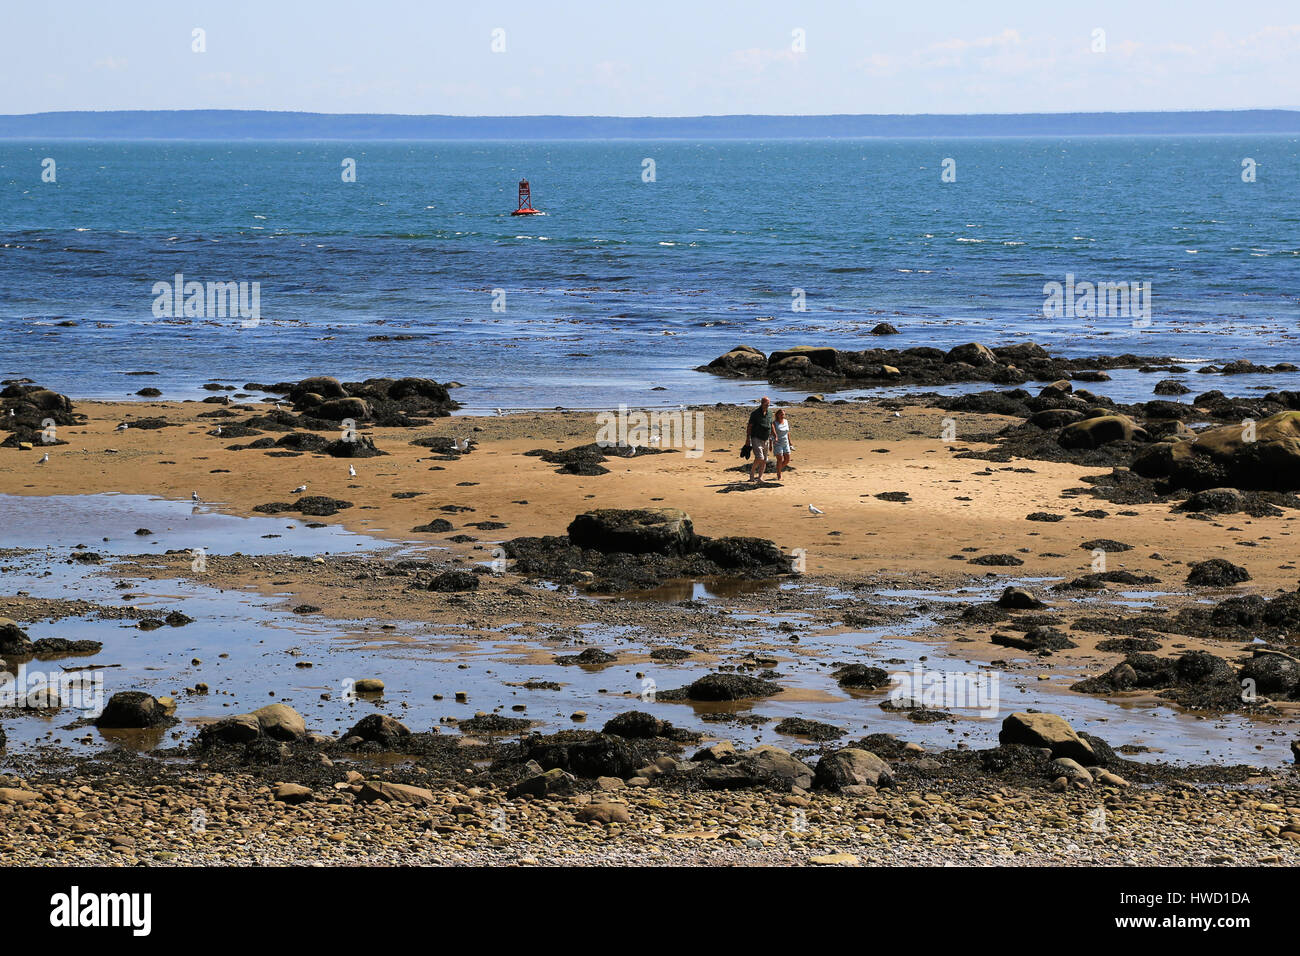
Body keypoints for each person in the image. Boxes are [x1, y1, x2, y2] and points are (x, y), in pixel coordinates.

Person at [746, 396, 775, 482]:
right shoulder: (755, 414)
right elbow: (749, 426)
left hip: (766, 438)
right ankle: (751, 473)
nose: (767, 406)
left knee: (765, 460)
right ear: (761, 403)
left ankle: (760, 477)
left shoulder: (770, 412)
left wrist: (774, 434)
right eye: (766, 404)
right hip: (756, 438)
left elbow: (771, 424)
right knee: (760, 457)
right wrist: (747, 438)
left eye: (769, 405)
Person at [772, 408, 793, 480]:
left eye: (783, 414)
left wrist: (790, 442)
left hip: (785, 442)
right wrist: (771, 443)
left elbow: (788, 433)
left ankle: (778, 469)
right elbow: (771, 433)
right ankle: (779, 475)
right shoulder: (774, 423)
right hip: (777, 443)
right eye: (781, 414)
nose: (782, 416)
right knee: (780, 458)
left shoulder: (786, 421)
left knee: (787, 460)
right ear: (777, 415)